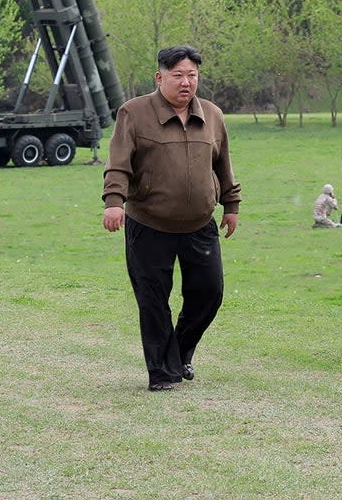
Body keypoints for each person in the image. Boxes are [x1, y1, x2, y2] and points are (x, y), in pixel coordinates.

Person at [102, 45, 241, 391]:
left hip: (200, 224)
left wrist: (231, 205)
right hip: (148, 223)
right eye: (178, 75)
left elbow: (222, 164)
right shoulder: (133, 113)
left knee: (209, 293)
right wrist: (114, 201)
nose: (186, 82)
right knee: (153, 300)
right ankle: (162, 373)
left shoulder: (213, 115)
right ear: (159, 76)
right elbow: (119, 161)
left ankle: (178, 354)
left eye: (192, 75)